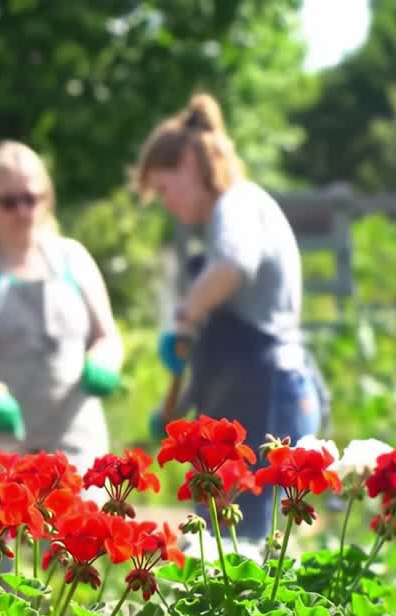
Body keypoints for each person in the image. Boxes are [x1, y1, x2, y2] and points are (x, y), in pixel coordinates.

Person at [136, 92, 327, 539]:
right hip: (259, 388)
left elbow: (233, 265)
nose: (167, 204)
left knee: (245, 544)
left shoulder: (235, 204)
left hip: (268, 390)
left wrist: (185, 316)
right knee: (233, 542)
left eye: (164, 188)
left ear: (187, 162)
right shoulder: (239, 208)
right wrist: (180, 409)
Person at [0, 140, 124, 475]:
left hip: (72, 444)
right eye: (9, 201)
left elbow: (108, 337)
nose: (22, 211)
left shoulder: (73, 259)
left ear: (46, 198)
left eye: (31, 199)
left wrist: (104, 362)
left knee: (79, 528)